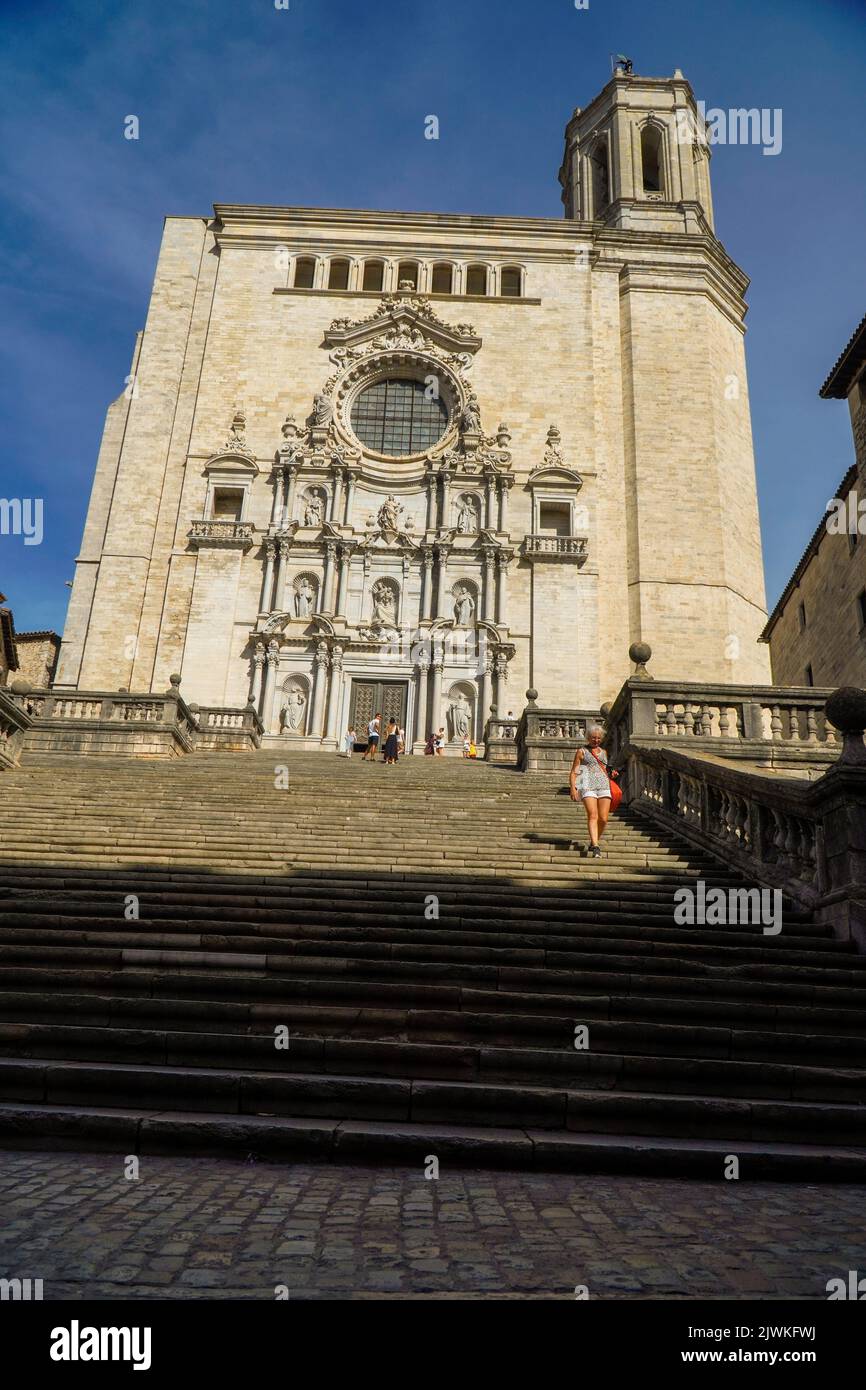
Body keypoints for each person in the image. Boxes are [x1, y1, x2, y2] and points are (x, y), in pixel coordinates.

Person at [569, 726, 612, 858]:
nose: (596, 740)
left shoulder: (604, 752)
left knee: (603, 819)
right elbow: (574, 772)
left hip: (604, 784)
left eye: (598, 738)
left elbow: (605, 769)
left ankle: (594, 841)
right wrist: (573, 787)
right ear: (588, 737)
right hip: (586, 784)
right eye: (593, 737)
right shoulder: (582, 751)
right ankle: (596, 847)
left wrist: (613, 773)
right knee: (593, 815)